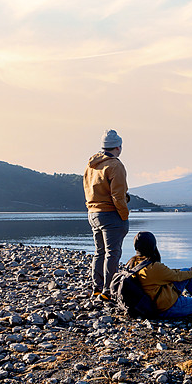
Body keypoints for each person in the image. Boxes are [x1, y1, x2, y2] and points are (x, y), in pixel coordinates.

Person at [84, 129, 130, 301]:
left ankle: (97, 287)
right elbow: (118, 196)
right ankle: (108, 291)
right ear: (118, 147)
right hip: (110, 214)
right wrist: (124, 216)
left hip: (93, 213)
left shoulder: (91, 165)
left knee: (100, 252)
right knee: (112, 253)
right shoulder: (115, 165)